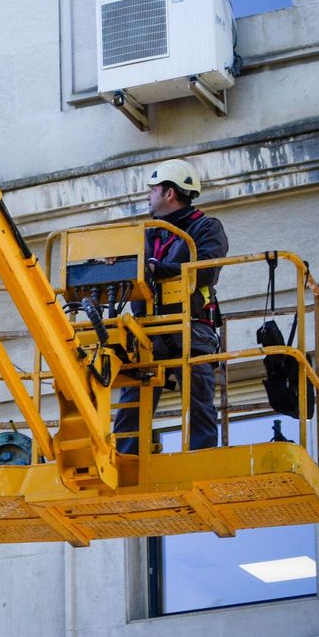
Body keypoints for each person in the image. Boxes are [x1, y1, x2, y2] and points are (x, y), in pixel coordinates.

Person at [112, 158, 228, 454]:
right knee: (132, 403)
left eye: (153, 190)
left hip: (189, 326)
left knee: (198, 397)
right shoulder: (148, 232)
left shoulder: (206, 228)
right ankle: (125, 460)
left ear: (169, 193)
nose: (148, 197)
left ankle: (201, 457)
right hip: (147, 331)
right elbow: (130, 269)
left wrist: (159, 267)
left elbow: (206, 268)